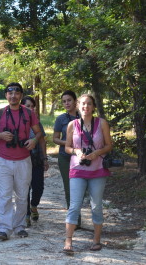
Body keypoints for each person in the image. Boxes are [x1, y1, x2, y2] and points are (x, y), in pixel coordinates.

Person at [0, 83, 42, 240]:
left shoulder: (29, 113)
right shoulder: (0, 113)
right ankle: (4, 228)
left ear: (21, 95)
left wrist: (34, 141)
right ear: (6, 95)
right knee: (4, 195)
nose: (13, 96)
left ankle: (19, 226)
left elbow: (38, 134)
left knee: (22, 195)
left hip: (24, 160)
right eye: (10, 93)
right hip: (4, 160)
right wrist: (0, 136)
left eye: (17, 93)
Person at [63, 94, 113, 254]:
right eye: (83, 104)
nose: (86, 107)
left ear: (93, 106)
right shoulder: (72, 124)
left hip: (97, 170)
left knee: (96, 205)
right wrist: (76, 151)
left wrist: (97, 153)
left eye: (89, 104)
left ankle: (96, 240)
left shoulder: (102, 123)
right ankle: (68, 240)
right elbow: (67, 147)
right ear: (78, 105)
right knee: (74, 205)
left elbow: (108, 145)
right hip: (77, 169)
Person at [53, 90, 81, 226]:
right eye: (64, 101)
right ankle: (74, 221)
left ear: (75, 101)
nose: (66, 103)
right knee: (69, 188)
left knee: (81, 188)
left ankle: (78, 217)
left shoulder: (84, 116)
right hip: (65, 157)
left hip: (82, 158)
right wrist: (68, 143)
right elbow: (55, 139)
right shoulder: (61, 119)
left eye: (69, 100)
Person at [21, 96, 49, 227]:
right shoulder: (18, 121)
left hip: (36, 159)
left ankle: (34, 205)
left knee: (38, 187)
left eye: (33, 106)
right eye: (28, 106)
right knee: (24, 188)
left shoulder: (37, 122)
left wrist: (45, 158)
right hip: (22, 159)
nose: (31, 108)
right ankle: (26, 214)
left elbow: (42, 140)